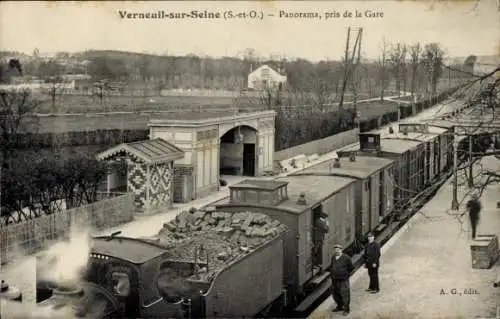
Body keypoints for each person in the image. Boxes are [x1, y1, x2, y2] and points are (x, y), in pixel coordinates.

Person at [330, 244, 354, 316]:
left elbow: (351, 268)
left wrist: (345, 274)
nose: (336, 251)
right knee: (336, 294)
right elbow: (332, 266)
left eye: (338, 249)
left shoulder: (346, 258)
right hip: (335, 279)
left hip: (343, 280)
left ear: (341, 250)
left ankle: (346, 309)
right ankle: (339, 306)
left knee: (345, 294)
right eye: (335, 250)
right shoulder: (333, 257)